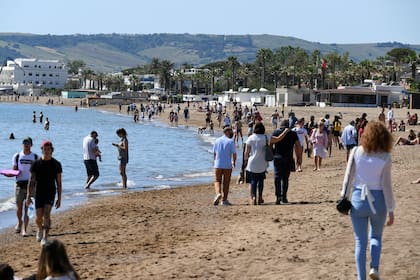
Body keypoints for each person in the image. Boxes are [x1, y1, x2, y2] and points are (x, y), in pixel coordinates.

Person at [340, 121, 395, 280]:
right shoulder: (385, 156)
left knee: (360, 242)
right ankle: (374, 268)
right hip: (378, 201)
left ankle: (361, 278)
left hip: (358, 199)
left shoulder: (356, 151)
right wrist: (391, 209)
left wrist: (343, 197)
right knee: (376, 237)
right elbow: (387, 185)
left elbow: (348, 177)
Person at [26, 141, 62, 246]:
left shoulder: (56, 164)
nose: (46, 151)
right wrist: (28, 195)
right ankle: (40, 229)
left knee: (47, 214)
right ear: (41, 150)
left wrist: (59, 198)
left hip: (50, 192)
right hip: (38, 192)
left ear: (51, 150)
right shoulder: (36, 164)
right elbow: (31, 181)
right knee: (38, 217)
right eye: (45, 149)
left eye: (48, 149)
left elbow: (59, 183)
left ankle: (45, 237)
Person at [6, 137, 39, 237]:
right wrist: (9, 174)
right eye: (24, 143)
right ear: (22, 144)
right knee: (19, 208)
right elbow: (14, 171)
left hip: (31, 185)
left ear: (31, 145)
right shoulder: (17, 156)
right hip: (19, 184)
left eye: (28, 143)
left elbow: (38, 172)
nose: (26, 144)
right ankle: (19, 222)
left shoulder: (35, 157)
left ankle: (24, 229)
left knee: (27, 208)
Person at [270, 120, 302, 204]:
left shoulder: (276, 132)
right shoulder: (293, 134)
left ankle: (278, 197)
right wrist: (299, 158)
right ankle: (284, 197)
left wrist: (271, 153)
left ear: (281, 125)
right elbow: (298, 146)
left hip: (278, 157)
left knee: (277, 178)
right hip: (289, 158)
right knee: (285, 178)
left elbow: (270, 144)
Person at [212, 125, 237, 206]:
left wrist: (214, 161)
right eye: (230, 131)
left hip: (218, 164)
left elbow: (214, 153)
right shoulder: (230, 141)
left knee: (217, 180)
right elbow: (234, 154)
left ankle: (218, 193)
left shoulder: (217, 140)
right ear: (227, 132)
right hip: (227, 165)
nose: (231, 133)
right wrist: (234, 162)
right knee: (226, 182)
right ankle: (224, 200)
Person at [244, 122, 268, 205]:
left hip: (252, 162)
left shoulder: (251, 138)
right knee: (261, 180)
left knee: (253, 180)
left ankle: (254, 197)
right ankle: (260, 197)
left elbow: (246, 152)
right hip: (262, 162)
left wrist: (245, 161)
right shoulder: (265, 137)